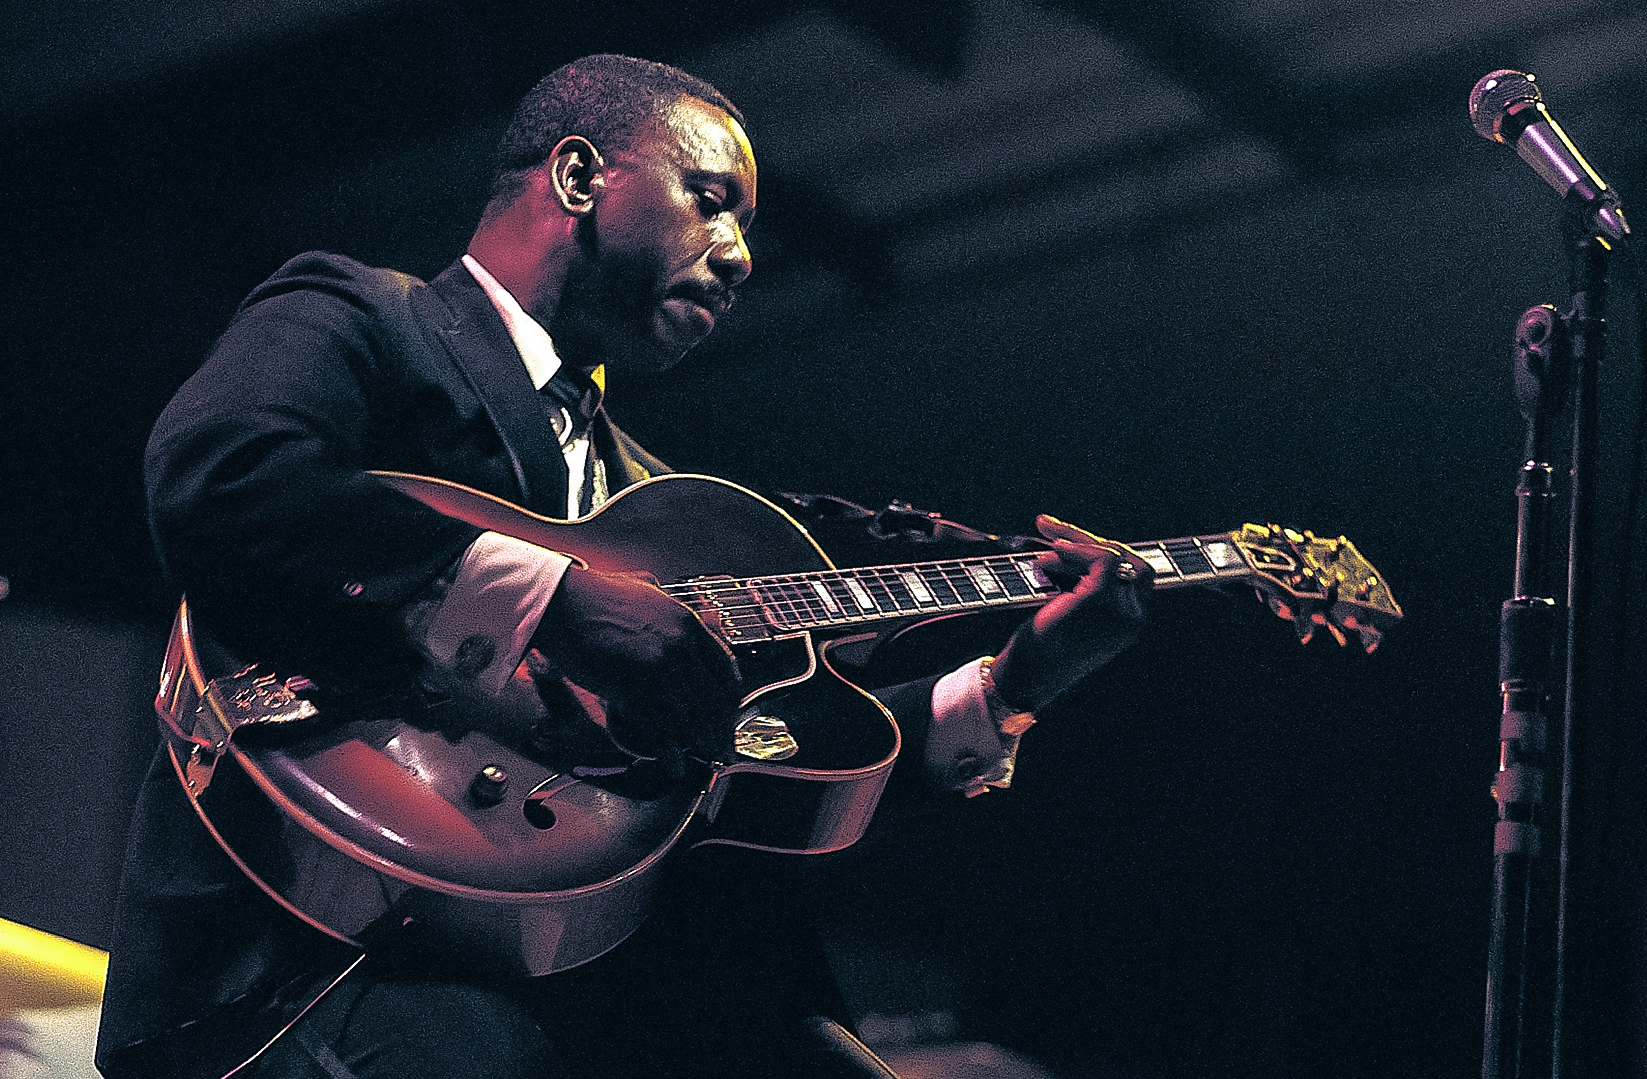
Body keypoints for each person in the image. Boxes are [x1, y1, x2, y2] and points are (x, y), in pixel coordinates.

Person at [98, 53, 1152, 1079]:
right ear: (577, 176)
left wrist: (1016, 684)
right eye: (711, 200)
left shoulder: (657, 501)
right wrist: (552, 598)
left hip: (603, 972)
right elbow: (222, 475)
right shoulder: (371, 318)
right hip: (318, 963)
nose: (740, 254)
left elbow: (771, 757)